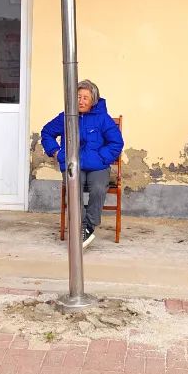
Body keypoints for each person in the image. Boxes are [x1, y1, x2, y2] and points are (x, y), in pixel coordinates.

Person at [40, 79, 124, 249]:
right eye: (78, 97)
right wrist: (57, 153)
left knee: (98, 188)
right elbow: (47, 132)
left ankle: (88, 226)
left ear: (93, 100)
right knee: (74, 189)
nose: (81, 101)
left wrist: (101, 157)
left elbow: (116, 142)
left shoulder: (102, 118)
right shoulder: (66, 116)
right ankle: (82, 226)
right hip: (73, 163)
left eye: (86, 98)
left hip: (97, 166)